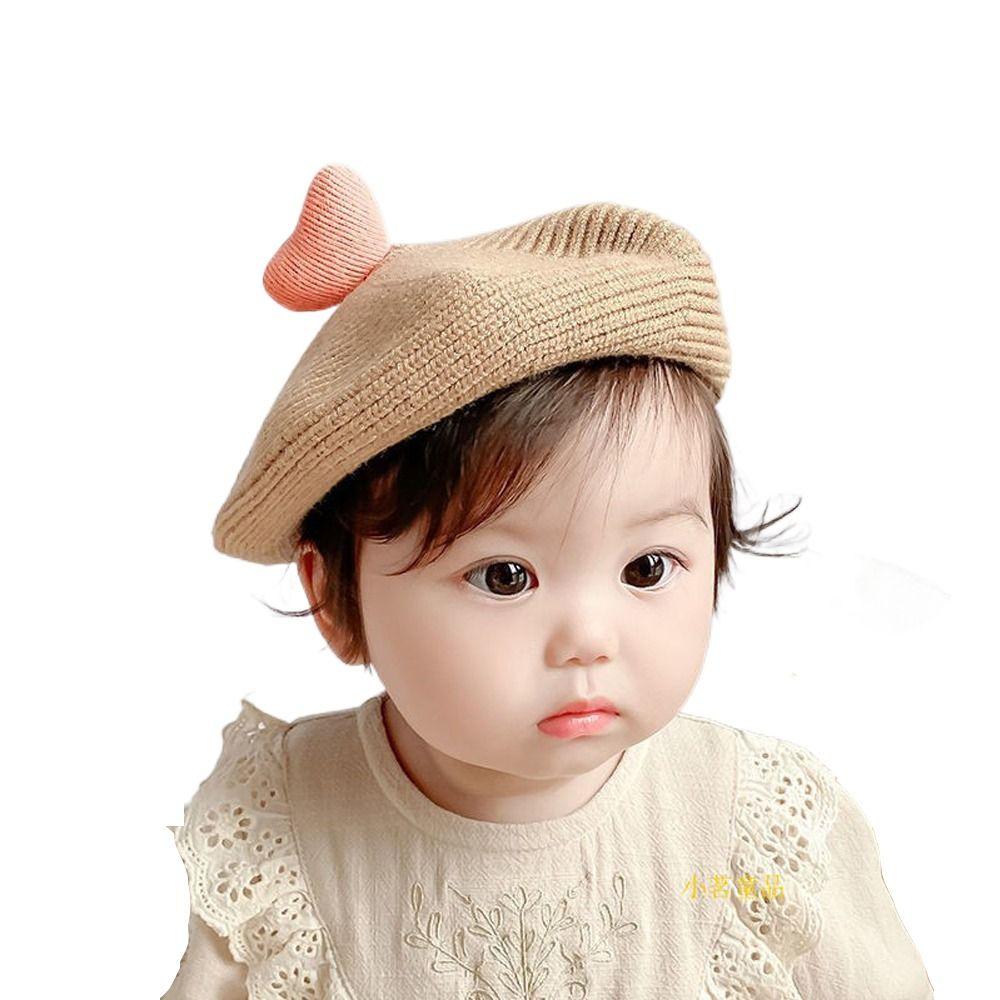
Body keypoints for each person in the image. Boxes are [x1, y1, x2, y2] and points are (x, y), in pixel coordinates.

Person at [162, 164, 934, 999]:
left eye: (646, 568)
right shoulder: (285, 832)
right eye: (504, 577)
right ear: (333, 602)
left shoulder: (751, 833)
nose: (589, 640)